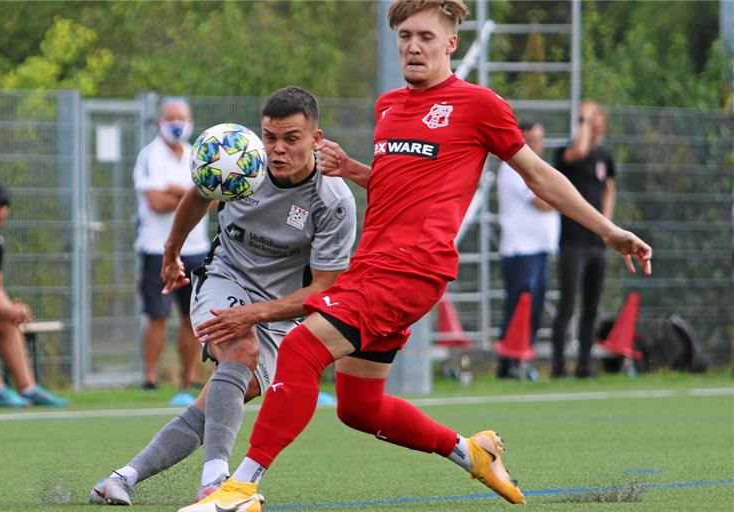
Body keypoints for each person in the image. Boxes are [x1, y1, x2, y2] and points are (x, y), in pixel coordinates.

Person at [182, 1, 652, 511]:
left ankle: (240, 487)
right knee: (359, 408)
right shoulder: (389, 106)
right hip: (373, 265)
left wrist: (607, 230)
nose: (412, 46)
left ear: (451, 43)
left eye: (426, 36)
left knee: (299, 350)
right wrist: (357, 169)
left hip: (412, 269)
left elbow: (538, 174)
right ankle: (471, 452)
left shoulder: (480, 105)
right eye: (405, 35)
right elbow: (403, 184)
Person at [89, 86, 356, 506]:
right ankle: (216, 483)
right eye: (270, 137)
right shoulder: (243, 162)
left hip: (278, 312)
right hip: (223, 278)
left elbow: (324, 289)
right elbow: (199, 193)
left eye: (292, 138)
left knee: (218, 402)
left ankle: (121, 478)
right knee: (239, 346)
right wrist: (172, 253)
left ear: (316, 139)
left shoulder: (332, 200)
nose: (277, 149)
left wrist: (255, 313)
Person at [0, 182, 69, 407]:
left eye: (2, 206)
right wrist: (5, 308)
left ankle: (28, 388)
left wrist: (13, 312)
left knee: (6, 319)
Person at [133, 97, 210, 390]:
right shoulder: (149, 156)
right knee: (157, 314)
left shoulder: (197, 154)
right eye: (171, 117)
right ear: (159, 122)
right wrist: (191, 194)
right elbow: (155, 202)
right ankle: (150, 378)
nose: (177, 123)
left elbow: (212, 199)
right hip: (157, 248)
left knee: (193, 316)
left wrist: (177, 192)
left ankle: (189, 376)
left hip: (196, 248)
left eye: (181, 117)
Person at [549, 101, 616, 379]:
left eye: (596, 116)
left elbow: (610, 187)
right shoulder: (568, 151)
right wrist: (584, 122)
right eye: (589, 117)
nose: (594, 121)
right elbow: (580, 150)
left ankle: (585, 364)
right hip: (572, 242)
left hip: (596, 244)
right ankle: (558, 365)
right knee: (567, 304)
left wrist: (607, 225)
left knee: (591, 306)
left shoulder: (605, 156)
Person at [495, 121, 559, 379]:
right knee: (519, 308)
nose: (535, 145)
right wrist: (570, 198)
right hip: (521, 251)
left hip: (539, 249)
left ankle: (521, 359)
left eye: (539, 139)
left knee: (534, 308)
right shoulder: (513, 167)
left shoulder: (536, 168)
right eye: (529, 139)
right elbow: (543, 201)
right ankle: (509, 363)